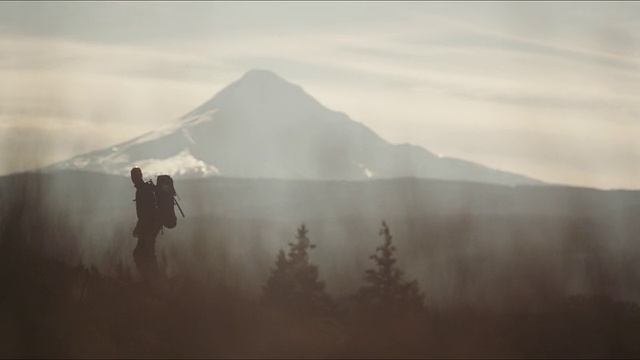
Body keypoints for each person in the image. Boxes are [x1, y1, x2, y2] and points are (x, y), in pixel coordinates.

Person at [131, 166, 162, 281]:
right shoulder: (145, 189)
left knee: (142, 253)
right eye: (133, 176)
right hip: (150, 226)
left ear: (139, 176)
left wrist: (141, 227)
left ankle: (152, 279)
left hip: (149, 227)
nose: (133, 178)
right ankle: (152, 278)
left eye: (135, 176)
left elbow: (146, 212)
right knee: (145, 253)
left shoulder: (143, 190)